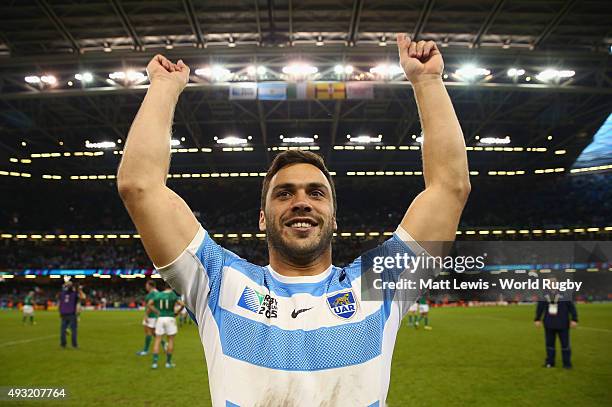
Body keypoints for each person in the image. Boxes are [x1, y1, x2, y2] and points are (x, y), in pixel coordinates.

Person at [117, 34, 470, 405]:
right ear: (262, 219)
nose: (301, 202)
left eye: (316, 193)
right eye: (283, 193)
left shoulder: (377, 284)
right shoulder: (218, 283)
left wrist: (428, 82)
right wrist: (164, 87)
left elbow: (450, 188)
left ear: (334, 220)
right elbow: (140, 186)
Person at [534, 280, 578, 369]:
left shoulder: (565, 294)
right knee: (550, 345)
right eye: (550, 283)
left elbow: (572, 308)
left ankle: (567, 364)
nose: (552, 284)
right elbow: (540, 308)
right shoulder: (544, 295)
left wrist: (574, 319)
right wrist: (537, 319)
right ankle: (550, 362)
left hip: (563, 323)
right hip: (549, 323)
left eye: (554, 283)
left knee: (565, 345)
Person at [148, 284, 184, 369]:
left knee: (157, 340)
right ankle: (168, 363)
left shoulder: (159, 294)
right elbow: (182, 304)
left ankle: (155, 363)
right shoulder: (173, 295)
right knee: (170, 340)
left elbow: (149, 304)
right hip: (170, 317)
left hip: (160, 318)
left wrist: (157, 312)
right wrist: (177, 312)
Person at [59, 281, 85, 349]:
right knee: (74, 330)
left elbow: (60, 302)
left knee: (63, 330)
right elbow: (83, 297)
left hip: (63, 313)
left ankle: (63, 344)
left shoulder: (62, 294)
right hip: (71, 313)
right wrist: (79, 290)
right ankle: (74, 345)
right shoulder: (74, 294)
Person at [136, 280, 160, 356]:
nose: (146, 287)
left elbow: (150, 305)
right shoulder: (156, 292)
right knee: (154, 333)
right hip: (154, 316)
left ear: (150, 285)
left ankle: (145, 350)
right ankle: (165, 345)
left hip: (151, 316)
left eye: (146, 285)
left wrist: (146, 315)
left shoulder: (153, 293)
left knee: (148, 332)